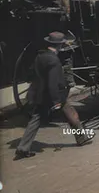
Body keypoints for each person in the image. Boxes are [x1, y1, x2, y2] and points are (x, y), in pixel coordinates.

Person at [14, 32, 93, 160]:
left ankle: (22, 148)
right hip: (53, 95)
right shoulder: (54, 61)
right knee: (70, 113)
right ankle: (82, 137)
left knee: (35, 120)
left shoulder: (40, 56)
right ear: (59, 46)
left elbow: (32, 73)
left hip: (40, 94)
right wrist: (56, 101)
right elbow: (52, 83)